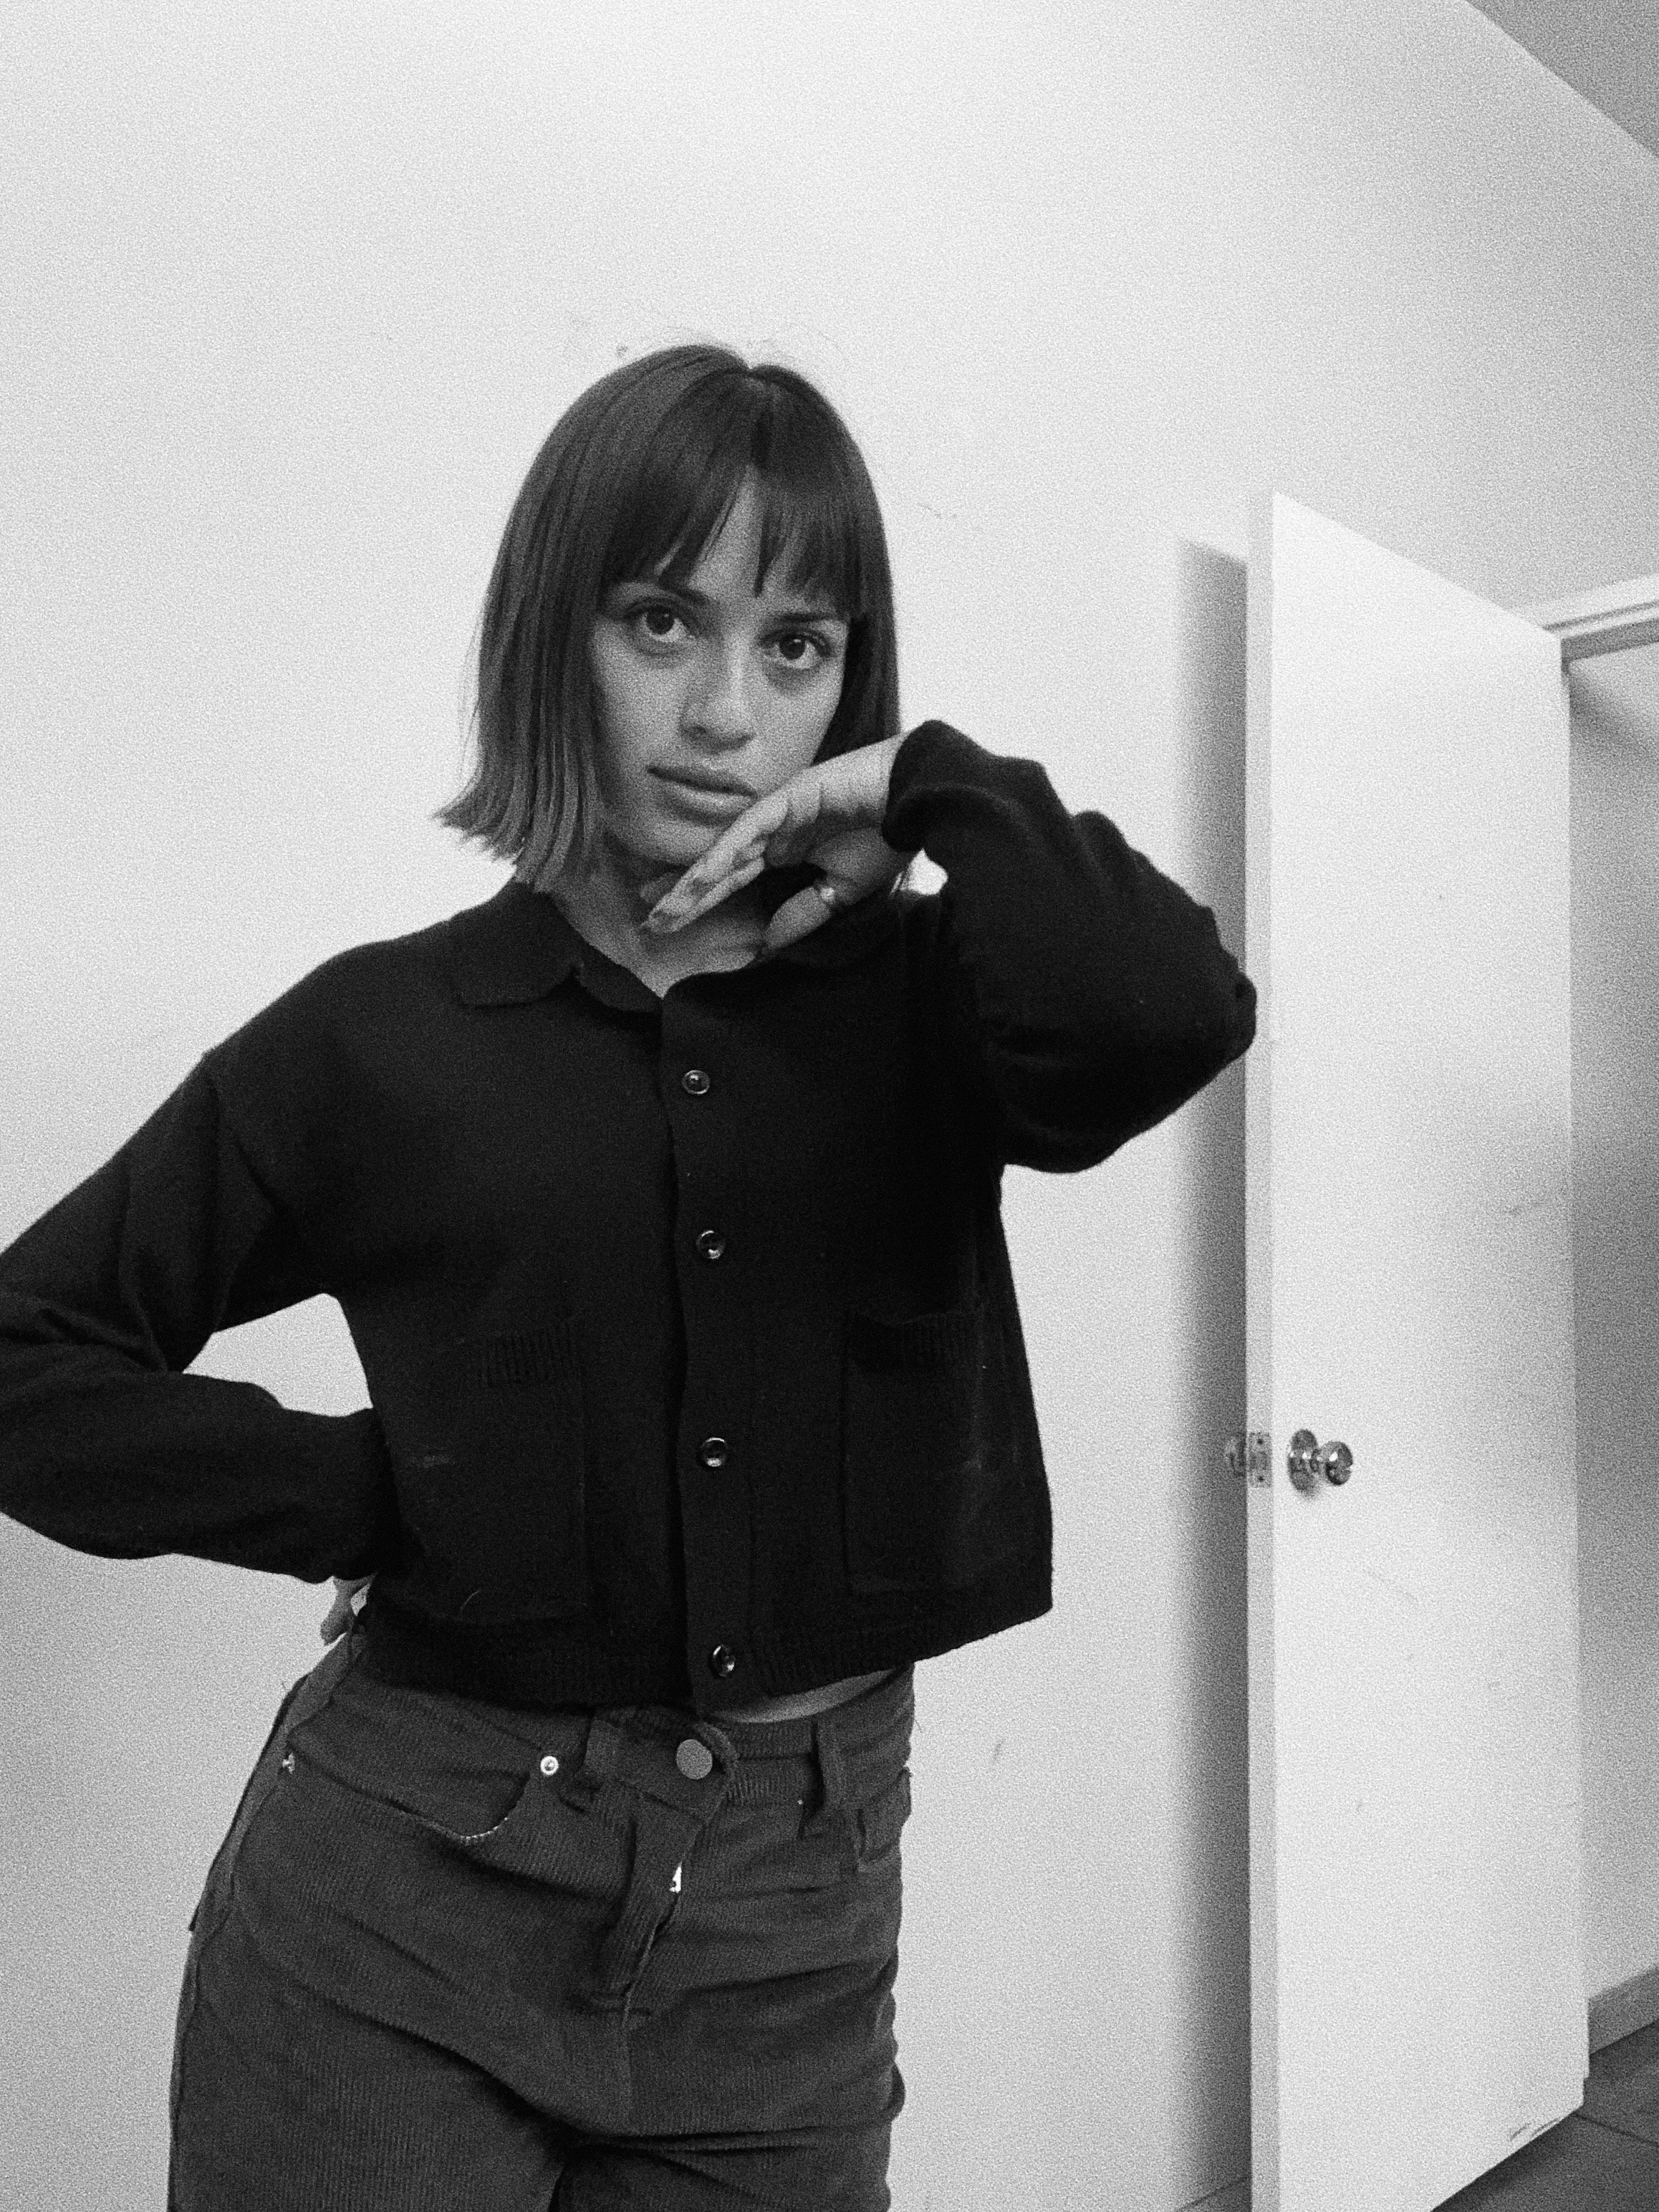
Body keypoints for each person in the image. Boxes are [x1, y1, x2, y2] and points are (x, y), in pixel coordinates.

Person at [0, 343, 1256, 2210]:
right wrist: (368, 1491)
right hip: (396, 1905)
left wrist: (928, 784)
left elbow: (1167, 1005)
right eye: (664, 621)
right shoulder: (376, 1037)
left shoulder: (925, 1001)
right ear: (553, 637)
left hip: (789, 1935)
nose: (724, 712)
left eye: (797, 647)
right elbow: (29, 1358)